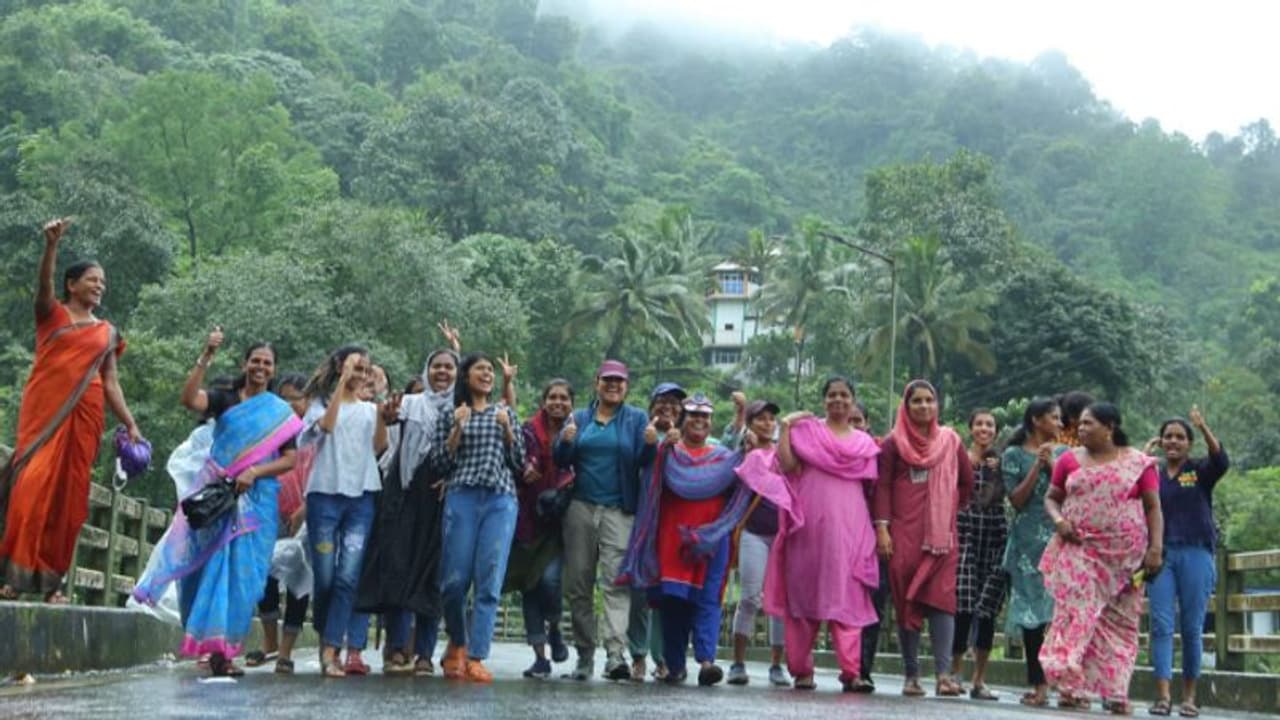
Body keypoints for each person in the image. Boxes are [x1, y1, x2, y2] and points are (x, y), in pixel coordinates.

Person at [133, 333, 301, 677]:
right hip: (216, 496)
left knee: (245, 577)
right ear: (245, 364)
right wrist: (206, 356)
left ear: (274, 370)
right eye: (255, 360)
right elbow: (189, 399)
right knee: (201, 569)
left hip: (257, 502)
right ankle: (212, 647)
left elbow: (290, 459)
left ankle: (223, 651)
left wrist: (255, 471)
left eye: (267, 363)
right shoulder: (226, 398)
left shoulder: (280, 413)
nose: (260, 367)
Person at [1, 218, 141, 603]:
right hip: (44, 414)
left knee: (68, 501)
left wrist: (130, 423)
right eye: (92, 280)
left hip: (86, 416)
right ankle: (13, 576)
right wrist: (51, 246)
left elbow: (110, 381)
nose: (99, 286)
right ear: (71, 284)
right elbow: (42, 287)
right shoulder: (53, 316)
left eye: (103, 283)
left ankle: (52, 585)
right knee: (29, 489)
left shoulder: (108, 332)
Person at [1041, 402, 1163, 714]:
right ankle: (1071, 687)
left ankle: (1115, 692)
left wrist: (1155, 549)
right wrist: (1059, 521)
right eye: (1079, 424)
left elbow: (1153, 507)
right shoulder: (1066, 460)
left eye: (1088, 423)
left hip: (1125, 558)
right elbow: (1052, 498)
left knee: (1119, 624)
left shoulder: (1138, 463)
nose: (1080, 429)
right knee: (1078, 613)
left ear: (1109, 428)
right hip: (1078, 548)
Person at [618, 393, 745, 686]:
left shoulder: (724, 458)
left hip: (713, 540)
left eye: (705, 417)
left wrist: (742, 423)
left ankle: (706, 662)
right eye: (694, 416)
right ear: (683, 421)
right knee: (673, 602)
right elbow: (649, 479)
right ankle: (675, 665)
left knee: (709, 599)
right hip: (673, 538)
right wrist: (661, 446)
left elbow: (745, 476)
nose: (699, 422)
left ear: (711, 423)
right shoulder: (669, 453)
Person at [765, 376, 880, 691]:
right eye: (832, 395)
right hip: (809, 529)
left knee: (849, 598)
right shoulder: (806, 431)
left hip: (850, 530)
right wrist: (785, 428)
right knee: (804, 597)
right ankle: (802, 670)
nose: (838, 400)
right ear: (823, 400)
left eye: (844, 395)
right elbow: (787, 466)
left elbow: (872, 491)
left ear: (853, 401)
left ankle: (852, 673)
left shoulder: (864, 444)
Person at [554, 360, 659, 681]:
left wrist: (651, 445)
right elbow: (561, 459)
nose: (613, 385)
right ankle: (584, 656)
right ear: (596, 382)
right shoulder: (580, 418)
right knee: (579, 584)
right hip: (581, 509)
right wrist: (566, 440)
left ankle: (615, 655)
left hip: (619, 511)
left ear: (626, 386)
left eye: (620, 381)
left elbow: (642, 461)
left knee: (615, 583)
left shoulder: (637, 419)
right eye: (607, 380)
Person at [874, 380, 973, 697]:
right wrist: (883, 528)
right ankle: (911, 675)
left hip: (942, 537)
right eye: (916, 401)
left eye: (929, 400)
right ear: (906, 405)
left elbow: (966, 483)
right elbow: (884, 487)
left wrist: (946, 512)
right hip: (903, 535)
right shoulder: (893, 443)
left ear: (937, 404)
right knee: (906, 601)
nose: (924, 406)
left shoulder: (951, 441)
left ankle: (944, 675)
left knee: (944, 603)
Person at [431, 352, 525, 683]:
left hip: (500, 500)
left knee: (489, 579)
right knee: (454, 582)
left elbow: (519, 463)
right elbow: (440, 464)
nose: (486, 374)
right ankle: (457, 640)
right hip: (462, 497)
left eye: (489, 370)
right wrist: (458, 426)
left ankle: (476, 655)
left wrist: (508, 431)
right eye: (479, 369)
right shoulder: (452, 413)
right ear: (466, 377)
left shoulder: (506, 413)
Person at [302, 346, 393, 678]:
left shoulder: (371, 410)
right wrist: (342, 383)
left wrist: (383, 414)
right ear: (341, 367)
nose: (360, 373)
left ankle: (330, 649)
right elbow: (325, 428)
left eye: (364, 368)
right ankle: (327, 636)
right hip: (324, 496)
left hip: (362, 498)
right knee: (325, 577)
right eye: (355, 366)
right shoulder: (320, 406)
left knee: (348, 577)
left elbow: (380, 447)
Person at [1145, 407, 1228, 718]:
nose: (1173, 442)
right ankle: (1163, 696)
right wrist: (1144, 454)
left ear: (1189, 444)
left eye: (1180, 437)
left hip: (1197, 552)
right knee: (1162, 626)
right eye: (1168, 436)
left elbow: (1221, 461)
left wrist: (1203, 426)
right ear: (1161, 441)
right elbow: (1131, 490)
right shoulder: (1152, 472)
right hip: (1161, 554)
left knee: (1192, 628)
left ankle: (1189, 697)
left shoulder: (1199, 471)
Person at [506, 379, 576, 679]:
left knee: (549, 581)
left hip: (560, 520)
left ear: (572, 402)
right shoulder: (527, 430)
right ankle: (539, 657)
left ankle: (556, 627)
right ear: (543, 400)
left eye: (563, 397)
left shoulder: (579, 430)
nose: (557, 402)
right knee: (529, 586)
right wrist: (526, 470)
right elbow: (517, 459)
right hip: (528, 516)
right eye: (552, 397)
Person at [244, 372, 313, 675]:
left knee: (299, 582)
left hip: (304, 515)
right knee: (265, 580)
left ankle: (286, 650)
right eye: (282, 397)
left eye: (294, 398)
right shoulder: (270, 429)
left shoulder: (314, 432)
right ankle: (269, 641)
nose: (287, 404)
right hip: (268, 513)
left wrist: (305, 508)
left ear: (307, 400)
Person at [1000, 398, 1065, 708]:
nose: (1060, 424)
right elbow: (1017, 500)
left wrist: (1052, 464)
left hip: (1059, 541)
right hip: (1026, 545)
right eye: (1054, 418)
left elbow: (1071, 493)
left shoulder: (1065, 454)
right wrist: (1037, 465)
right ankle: (1038, 685)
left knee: (1059, 615)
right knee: (1031, 619)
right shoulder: (1012, 455)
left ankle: (1063, 685)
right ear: (1037, 420)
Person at [726, 399, 791, 687]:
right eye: (760, 419)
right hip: (753, 533)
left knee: (779, 602)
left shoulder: (784, 456)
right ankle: (738, 662)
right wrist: (743, 442)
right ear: (751, 425)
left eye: (770, 419)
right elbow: (730, 472)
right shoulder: (744, 456)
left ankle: (778, 665)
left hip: (782, 534)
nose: (767, 423)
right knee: (750, 597)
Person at [627, 380, 687, 681]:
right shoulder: (640, 432)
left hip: (672, 524)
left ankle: (663, 658)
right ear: (651, 407)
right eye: (662, 402)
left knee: (665, 593)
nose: (668, 408)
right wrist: (652, 444)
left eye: (675, 404)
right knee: (639, 591)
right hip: (640, 521)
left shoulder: (689, 439)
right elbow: (632, 463)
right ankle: (637, 654)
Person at [951, 409, 1008, 700]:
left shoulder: (1004, 462)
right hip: (965, 531)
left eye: (989, 425)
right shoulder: (959, 457)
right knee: (962, 602)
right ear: (970, 428)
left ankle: (979, 679)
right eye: (979, 424)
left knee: (988, 608)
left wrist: (1002, 468)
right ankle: (954, 674)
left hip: (995, 535)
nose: (984, 429)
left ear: (996, 431)